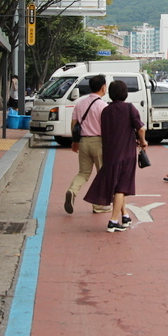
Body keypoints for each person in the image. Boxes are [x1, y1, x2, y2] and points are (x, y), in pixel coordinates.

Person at [84, 80, 147, 232]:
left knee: (118, 186)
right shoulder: (129, 108)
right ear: (125, 93)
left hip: (110, 154)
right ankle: (113, 221)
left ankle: (125, 216)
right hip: (126, 154)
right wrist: (143, 142)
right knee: (121, 187)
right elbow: (141, 129)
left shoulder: (106, 111)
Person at [65, 74, 110, 215]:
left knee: (83, 172)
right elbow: (107, 127)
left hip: (84, 141)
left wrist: (75, 141)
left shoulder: (80, 104)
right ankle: (98, 206)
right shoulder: (103, 106)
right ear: (103, 87)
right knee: (101, 174)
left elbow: (74, 124)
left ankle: (72, 191)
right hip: (99, 142)